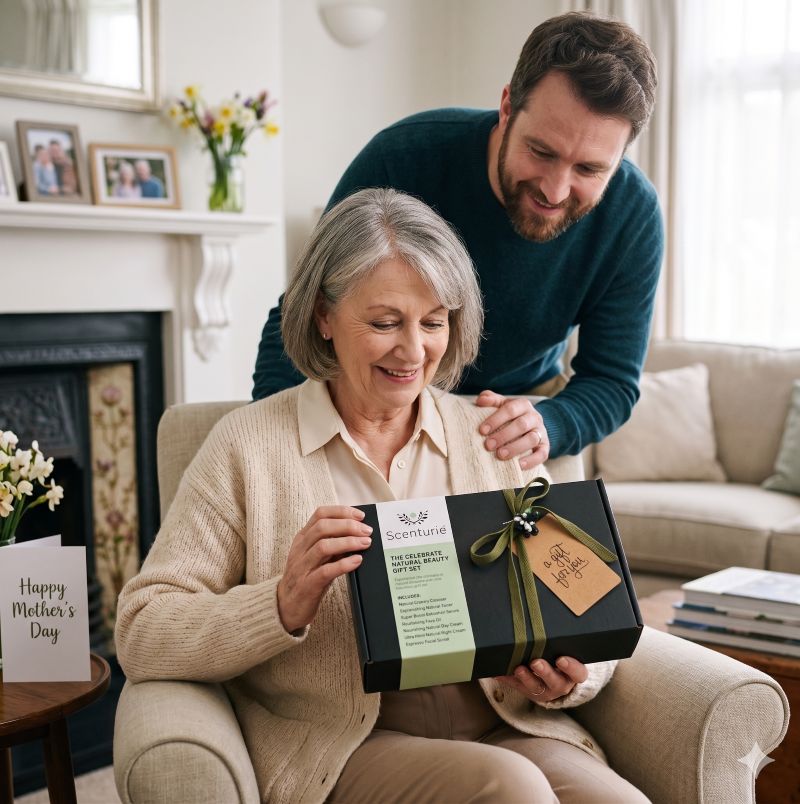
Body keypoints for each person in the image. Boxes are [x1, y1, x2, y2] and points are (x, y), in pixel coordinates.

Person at [116, 189, 648, 803]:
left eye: (433, 322)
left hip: (509, 722)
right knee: (512, 789)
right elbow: (142, 629)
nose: (413, 350)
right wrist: (280, 604)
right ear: (322, 316)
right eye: (384, 322)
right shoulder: (248, 446)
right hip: (349, 743)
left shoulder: (487, 437)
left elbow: (590, 596)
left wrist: (571, 677)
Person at [252, 11, 663, 471]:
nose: (555, 190)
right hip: (376, 404)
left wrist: (552, 424)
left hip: (517, 414)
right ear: (507, 107)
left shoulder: (633, 215)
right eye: (541, 152)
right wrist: (278, 447)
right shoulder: (404, 158)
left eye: (589, 169)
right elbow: (305, 311)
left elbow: (611, 381)